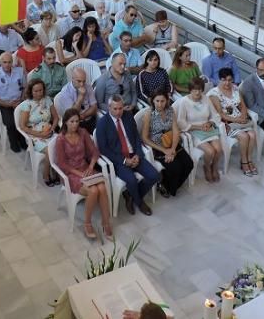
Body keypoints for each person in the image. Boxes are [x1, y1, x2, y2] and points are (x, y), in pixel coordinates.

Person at [94, 95, 159, 215]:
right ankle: (139, 202)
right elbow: (104, 150)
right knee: (132, 180)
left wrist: (138, 155)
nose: (118, 112)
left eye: (120, 108)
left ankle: (130, 195)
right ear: (109, 107)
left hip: (133, 154)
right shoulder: (102, 124)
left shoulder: (128, 116)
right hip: (118, 161)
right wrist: (124, 161)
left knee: (154, 176)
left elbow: (136, 138)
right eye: (115, 109)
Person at [54, 108, 113, 240]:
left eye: (77, 121)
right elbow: (62, 165)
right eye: (72, 121)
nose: (75, 124)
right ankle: (87, 223)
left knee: (102, 188)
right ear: (66, 122)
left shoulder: (83, 132)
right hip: (71, 174)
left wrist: (91, 166)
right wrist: (79, 174)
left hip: (85, 168)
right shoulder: (60, 139)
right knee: (93, 191)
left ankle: (105, 221)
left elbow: (94, 152)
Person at [138, 92, 193, 196]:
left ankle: (171, 185)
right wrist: (165, 151)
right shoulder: (148, 114)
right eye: (157, 101)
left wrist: (172, 149)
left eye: (162, 101)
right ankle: (167, 186)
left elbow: (176, 130)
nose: (159, 104)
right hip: (157, 147)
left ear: (167, 101)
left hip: (170, 142)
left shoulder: (170, 110)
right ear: (152, 101)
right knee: (176, 168)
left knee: (189, 164)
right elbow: (144, 138)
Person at [208, 67, 258, 176]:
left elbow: (243, 105)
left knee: (252, 134)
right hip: (227, 124)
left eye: (229, 80)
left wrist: (244, 116)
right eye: (224, 80)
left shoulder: (235, 89)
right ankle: (244, 162)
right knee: (244, 137)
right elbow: (220, 114)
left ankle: (249, 160)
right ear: (219, 80)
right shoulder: (214, 94)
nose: (227, 83)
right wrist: (238, 120)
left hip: (240, 120)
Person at [174, 78, 223, 182]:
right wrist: (198, 127)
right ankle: (206, 167)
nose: (197, 92)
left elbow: (215, 115)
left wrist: (210, 123)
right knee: (210, 151)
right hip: (193, 130)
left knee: (218, 149)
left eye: (200, 90)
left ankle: (214, 167)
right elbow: (181, 122)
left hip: (207, 128)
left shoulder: (206, 98)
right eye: (194, 90)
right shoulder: (184, 102)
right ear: (190, 90)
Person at [17, 78, 59, 186]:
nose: (39, 93)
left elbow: (55, 118)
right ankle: (46, 174)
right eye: (36, 91)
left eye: (40, 90)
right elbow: (23, 126)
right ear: (31, 91)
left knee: (62, 145)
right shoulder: (27, 104)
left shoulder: (48, 99)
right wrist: (40, 134)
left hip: (49, 131)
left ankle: (56, 172)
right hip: (34, 136)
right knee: (50, 150)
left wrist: (52, 129)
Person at [0, 52, 27, 153]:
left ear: (12, 62)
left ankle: (22, 140)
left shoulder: (19, 72)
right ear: (0, 62)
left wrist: (21, 100)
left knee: (25, 119)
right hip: (4, 104)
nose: (7, 65)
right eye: (4, 62)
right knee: (11, 122)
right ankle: (13, 143)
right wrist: (8, 104)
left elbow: (25, 88)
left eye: (9, 62)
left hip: (18, 102)